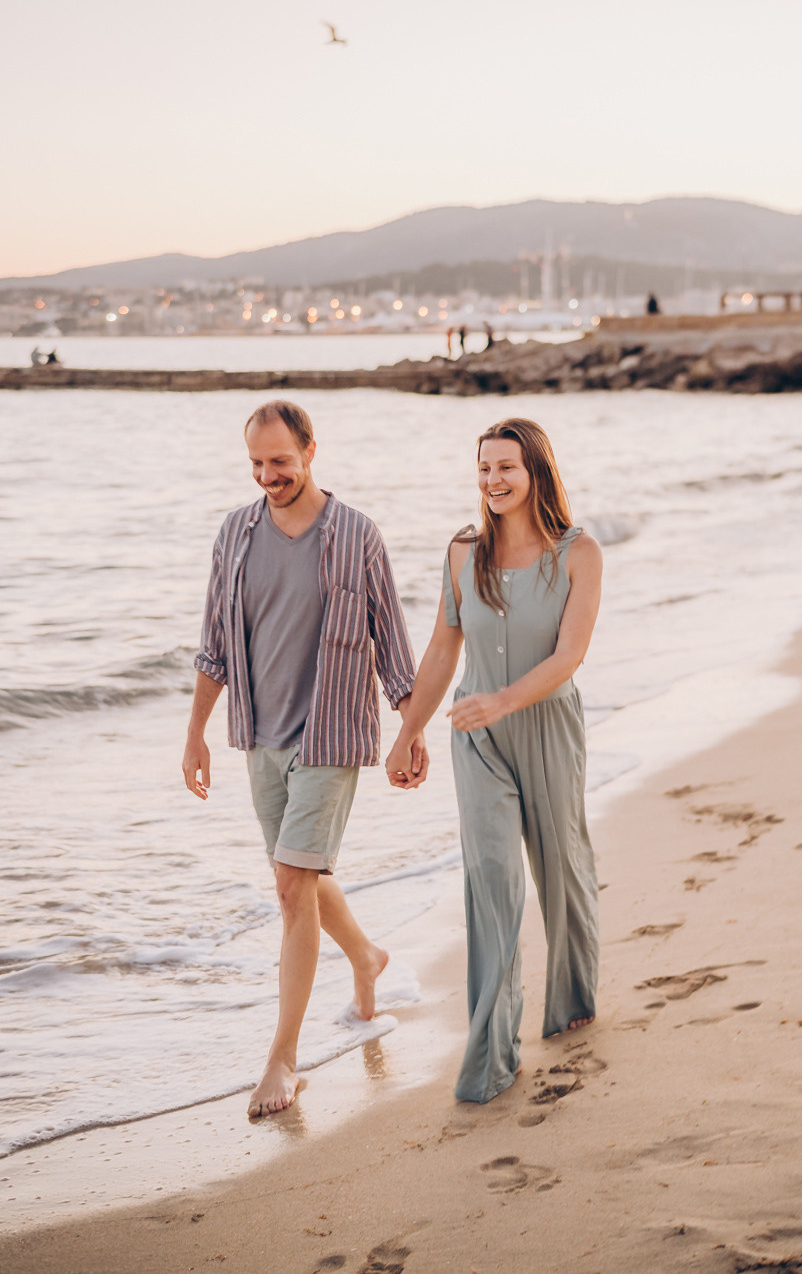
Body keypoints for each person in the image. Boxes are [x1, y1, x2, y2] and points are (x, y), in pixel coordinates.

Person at [182, 400, 425, 1119]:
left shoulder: (356, 535)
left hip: (331, 735)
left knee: (292, 883)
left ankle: (282, 1061)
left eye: (280, 462)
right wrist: (196, 731)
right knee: (302, 879)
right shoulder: (236, 531)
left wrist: (409, 731)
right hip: (259, 733)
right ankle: (367, 956)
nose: (267, 476)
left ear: (311, 452)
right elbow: (214, 643)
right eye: (256, 464)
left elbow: (394, 642)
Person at [385, 417, 602, 1104]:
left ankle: (571, 1000)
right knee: (495, 882)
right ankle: (491, 1055)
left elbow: (569, 658)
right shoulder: (462, 552)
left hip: (545, 727)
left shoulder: (578, 552)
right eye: (484, 469)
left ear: (537, 470)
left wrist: (504, 700)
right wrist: (408, 729)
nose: (494, 480)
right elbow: (444, 647)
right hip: (476, 737)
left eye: (507, 467)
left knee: (561, 868)